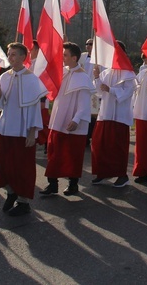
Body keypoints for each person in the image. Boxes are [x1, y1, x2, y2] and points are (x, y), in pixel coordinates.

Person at [0, 43, 46, 216]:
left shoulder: (31, 79)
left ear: (23, 57)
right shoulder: (5, 76)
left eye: (14, 54)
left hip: (22, 130)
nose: (10, 57)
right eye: (9, 54)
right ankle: (11, 191)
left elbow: (35, 107)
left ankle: (23, 201)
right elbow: (2, 103)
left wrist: (32, 132)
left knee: (22, 166)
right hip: (5, 127)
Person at [41, 42, 94, 197]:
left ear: (74, 58)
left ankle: (73, 184)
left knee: (72, 154)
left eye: (65, 55)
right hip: (58, 119)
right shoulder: (61, 72)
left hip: (73, 122)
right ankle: (52, 184)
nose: (62, 58)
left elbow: (84, 103)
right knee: (53, 151)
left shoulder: (83, 77)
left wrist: (76, 119)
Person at [91, 41, 136, 188]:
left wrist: (110, 89)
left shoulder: (128, 74)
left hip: (119, 116)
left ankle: (121, 175)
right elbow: (98, 92)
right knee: (100, 144)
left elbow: (127, 93)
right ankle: (102, 172)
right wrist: (97, 78)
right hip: (105, 113)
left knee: (117, 147)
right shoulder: (107, 72)